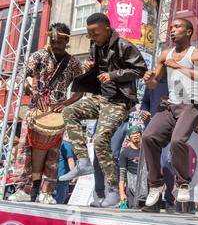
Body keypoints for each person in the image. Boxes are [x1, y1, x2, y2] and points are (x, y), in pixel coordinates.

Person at [60, 13, 147, 208]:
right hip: (100, 99)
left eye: (96, 34)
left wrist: (114, 75)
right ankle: (82, 162)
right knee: (69, 112)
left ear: (107, 29)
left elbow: (140, 70)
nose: (93, 38)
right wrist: (90, 67)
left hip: (119, 102)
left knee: (101, 140)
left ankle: (113, 191)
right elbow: (95, 71)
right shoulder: (95, 46)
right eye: (90, 34)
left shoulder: (124, 46)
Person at [8, 23, 83, 204]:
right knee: (25, 148)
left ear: (66, 40)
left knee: (53, 153)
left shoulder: (73, 63)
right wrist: (32, 92)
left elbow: (81, 89)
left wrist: (66, 103)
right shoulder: (40, 56)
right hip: (35, 109)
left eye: (58, 41)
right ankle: (23, 189)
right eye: (52, 40)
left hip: (57, 113)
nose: (55, 44)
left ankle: (46, 192)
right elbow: (20, 77)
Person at [142, 18, 198, 206]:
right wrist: (149, 79)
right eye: (171, 28)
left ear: (189, 32)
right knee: (148, 137)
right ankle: (156, 184)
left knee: (177, 141)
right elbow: (155, 82)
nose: (172, 30)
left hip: (191, 105)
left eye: (177, 27)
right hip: (170, 105)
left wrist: (180, 67)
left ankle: (182, 184)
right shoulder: (165, 55)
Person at [140, 79, 176, 213]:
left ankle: (170, 201)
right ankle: (154, 203)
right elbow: (145, 103)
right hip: (151, 129)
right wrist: (143, 111)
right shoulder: (152, 83)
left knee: (166, 162)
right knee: (152, 165)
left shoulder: (177, 80)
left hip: (170, 130)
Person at [118, 126, 147, 209]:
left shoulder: (147, 150)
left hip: (146, 186)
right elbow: (122, 174)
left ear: (141, 135)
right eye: (132, 134)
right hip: (131, 187)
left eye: (137, 133)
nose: (135, 135)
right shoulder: (125, 153)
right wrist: (122, 194)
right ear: (129, 136)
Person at [55, 136, 76, 204]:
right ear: (67, 136)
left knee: (64, 194)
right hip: (63, 174)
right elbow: (70, 160)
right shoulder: (67, 145)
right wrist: (74, 175)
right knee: (61, 197)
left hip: (54, 174)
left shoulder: (57, 143)